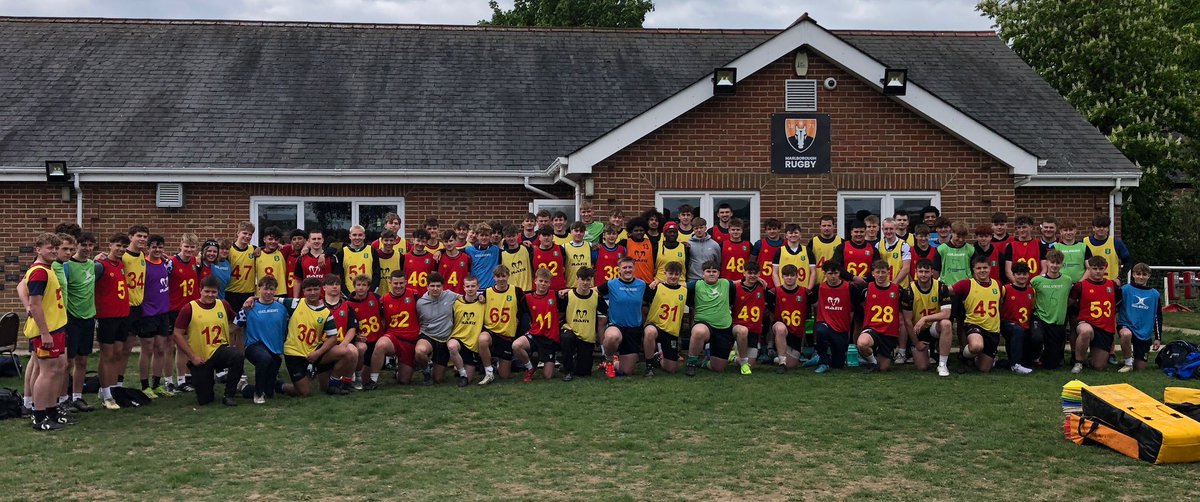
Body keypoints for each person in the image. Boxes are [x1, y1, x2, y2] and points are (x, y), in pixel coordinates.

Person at [171, 275, 243, 406]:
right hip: (201, 357)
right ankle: (206, 382)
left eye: (214, 292)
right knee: (205, 400)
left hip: (219, 351)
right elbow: (177, 334)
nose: (210, 295)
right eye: (207, 291)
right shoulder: (189, 308)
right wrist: (192, 357)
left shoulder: (223, 305)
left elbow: (236, 323)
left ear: (218, 292)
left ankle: (229, 394)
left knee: (237, 356)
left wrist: (249, 305)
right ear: (200, 290)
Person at [25, 233, 70, 430]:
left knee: (58, 368)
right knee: (46, 372)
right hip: (47, 330)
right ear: (38, 249)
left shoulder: (47, 269)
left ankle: (52, 411)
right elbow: (35, 305)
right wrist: (44, 333)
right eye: (49, 248)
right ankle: (39, 415)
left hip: (57, 327)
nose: (53, 251)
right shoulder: (39, 272)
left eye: (55, 248)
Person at [281, 277, 352, 396]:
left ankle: (333, 384)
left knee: (347, 352)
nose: (313, 293)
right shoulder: (295, 303)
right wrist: (252, 298)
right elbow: (270, 298)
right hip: (294, 353)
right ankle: (280, 386)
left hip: (314, 351)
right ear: (303, 291)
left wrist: (318, 353)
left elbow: (333, 337)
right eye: (309, 290)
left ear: (321, 290)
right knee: (304, 393)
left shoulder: (325, 312)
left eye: (315, 289)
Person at [234, 276, 288, 404]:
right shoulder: (249, 307)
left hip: (274, 349)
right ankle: (258, 395)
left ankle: (244, 388)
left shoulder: (282, 308)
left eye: (271, 289)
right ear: (259, 289)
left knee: (269, 391)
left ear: (275, 290)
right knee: (264, 359)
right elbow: (235, 326)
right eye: (265, 289)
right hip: (254, 346)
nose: (268, 292)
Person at [684, 260, 742, 376]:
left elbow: (742, 282)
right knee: (699, 331)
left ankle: (705, 363)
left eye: (714, 271)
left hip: (723, 327)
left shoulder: (726, 283)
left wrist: (757, 280)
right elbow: (676, 284)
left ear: (719, 273)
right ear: (702, 274)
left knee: (719, 367)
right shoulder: (696, 285)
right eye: (708, 271)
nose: (711, 274)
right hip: (704, 323)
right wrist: (658, 282)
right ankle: (691, 363)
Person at [62, 232, 99, 412]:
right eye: (84, 245)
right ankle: (63, 397)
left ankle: (78, 396)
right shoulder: (67, 266)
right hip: (72, 318)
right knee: (67, 362)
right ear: (77, 246)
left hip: (88, 317)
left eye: (91, 245)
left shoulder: (93, 265)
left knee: (82, 360)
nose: (87, 248)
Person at [94, 234, 131, 410]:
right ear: (110, 245)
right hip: (106, 317)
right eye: (118, 246)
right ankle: (106, 393)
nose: (121, 249)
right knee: (107, 355)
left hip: (122, 315)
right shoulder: (100, 266)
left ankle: (111, 388)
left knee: (118, 353)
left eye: (124, 246)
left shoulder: (122, 264)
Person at [597, 256, 650, 378]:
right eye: (624, 267)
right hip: (616, 326)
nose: (627, 270)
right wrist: (604, 309)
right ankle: (609, 361)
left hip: (634, 329)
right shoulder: (611, 284)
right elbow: (593, 293)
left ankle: (613, 364)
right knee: (611, 336)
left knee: (627, 371)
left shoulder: (642, 285)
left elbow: (657, 295)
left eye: (630, 267)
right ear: (619, 270)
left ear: (634, 268)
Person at [1070, 256, 1123, 373]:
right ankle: (1078, 362)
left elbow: (1119, 302)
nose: (1098, 271)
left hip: (1105, 328)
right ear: (1089, 269)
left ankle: (1091, 358)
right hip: (1087, 322)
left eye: (1100, 268)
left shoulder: (1112, 285)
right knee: (1085, 331)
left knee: (1099, 366)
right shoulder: (1080, 286)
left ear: (1105, 268)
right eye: (1094, 268)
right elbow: (1071, 304)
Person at [808, 261, 863, 373]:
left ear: (840, 273)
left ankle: (821, 358)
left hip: (841, 328)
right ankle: (823, 362)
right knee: (821, 331)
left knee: (838, 364)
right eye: (830, 273)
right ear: (824, 273)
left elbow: (858, 306)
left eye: (836, 273)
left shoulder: (850, 288)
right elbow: (810, 301)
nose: (833, 276)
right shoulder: (819, 288)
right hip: (825, 323)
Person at [900, 259, 953, 376]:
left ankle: (942, 365)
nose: (923, 274)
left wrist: (925, 318)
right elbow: (908, 321)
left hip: (934, 327)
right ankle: (925, 351)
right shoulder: (909, 290)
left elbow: (946, 314)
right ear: (916, 272)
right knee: (922, 367)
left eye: (926, 271)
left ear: (932, 273)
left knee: (946, 323)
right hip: (918, 330)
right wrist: (916, 342)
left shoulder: (941, 287)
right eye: (921, 271)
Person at [952, 255, 1003, 373]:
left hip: (992, 329)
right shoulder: (966, 284)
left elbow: (1000, 304)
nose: (982, 271)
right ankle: (963, 357)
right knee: (976, 346)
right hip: (974, 324)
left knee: (984, 369)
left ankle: (975, 358)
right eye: (979, 268)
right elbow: (947, 290)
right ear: (973, 269)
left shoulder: (998, 285)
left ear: (990, 268)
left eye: (985, 267)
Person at [137, 235, 175, 398]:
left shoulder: (166, 264)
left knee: (161, 348)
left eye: (160, 247)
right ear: (148, 248)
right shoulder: (143, 264)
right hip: (147, 313)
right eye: (154, 247)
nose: (157, 250)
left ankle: (156, 384)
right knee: (147, 348)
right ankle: (145, 385)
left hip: (163, 312)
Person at [373, 271, 422, 385]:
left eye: (401, 283)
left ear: (406, 282)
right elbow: (381, 320)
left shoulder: (414, 295)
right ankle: (373, 380)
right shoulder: (384, 300)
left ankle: (400, 368)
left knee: (404, 380)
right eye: (395, 283)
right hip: (393, 337)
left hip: (410, 340)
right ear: (390, 282)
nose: (398, 286)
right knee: (381, 345)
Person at [167, 233, 202, 393]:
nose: (189, 250)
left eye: (192, 247)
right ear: (180, 245)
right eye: (186, 246)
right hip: (174, 309)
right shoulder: (171, 263)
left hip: (191, 308)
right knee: (173, 345)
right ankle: (172, 380)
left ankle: (185, 378)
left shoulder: (196, 261)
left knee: (188, 344)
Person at [513, 268, 561, 382]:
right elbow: (521, 314)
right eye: (541, 281)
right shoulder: (528, 298)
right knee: (516, 345)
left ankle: (552, 360)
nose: (543, 284)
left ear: (550, 283)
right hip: (535, 335)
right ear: (535, 281)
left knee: (548, 376)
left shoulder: (555, 295)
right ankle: (530, 368)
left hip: (549, 338)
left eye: (546, 282)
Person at [855, 261, 903, 372]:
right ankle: (873, 362)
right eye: (878, 272)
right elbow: (862, 306)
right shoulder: (866, 289)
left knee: (884, 368)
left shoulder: (898, 289)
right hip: (872, 329)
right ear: (873, 273)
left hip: (889, 333)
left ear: (888, 273)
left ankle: (880, 356)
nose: (880, 275)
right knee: (862, 343)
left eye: (883, 272)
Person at [1030, 249, 1074, 370]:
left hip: (1056, 321)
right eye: (1052, 262)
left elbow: (1071, 298)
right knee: (1036, 338)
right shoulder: (1036, 281)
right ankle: (1033, 357)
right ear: (1047, 263)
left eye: (1058, 263)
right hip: (1040, 317)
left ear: (1062, 264)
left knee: (1051, 365)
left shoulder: (1067, 280)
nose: (1055, 266)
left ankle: (1045, 357)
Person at [448, 275, 495, 386]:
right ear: (463, 287)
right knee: (452, 346)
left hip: (473, 344)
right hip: (458, 339)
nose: (470, 289)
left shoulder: (483, 302)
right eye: (467, 286)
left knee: (470, 379)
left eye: (473, 286)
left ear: (478, 286)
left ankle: (464, 368)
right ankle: (462, 373)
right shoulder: (457, 303)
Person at [415, 273, 461, 385]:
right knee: (420, 351)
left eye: (438, 286)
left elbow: (467, 299)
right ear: (427, 287)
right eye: (432, 286)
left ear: (443, 287)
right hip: (428, 335)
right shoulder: (420, 303)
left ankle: (433, 365)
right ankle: (426, 371)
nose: (435, 289)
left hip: (445, 339)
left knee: (438, 379)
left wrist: (481, 296)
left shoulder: (450, 296)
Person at [643, 261, 687, 377]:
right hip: (655, 325)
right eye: (670, 273)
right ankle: (649, 366)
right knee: (650, 332)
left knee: (671, 369)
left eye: (676, 274)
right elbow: (642, 301)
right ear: (665, 273)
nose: (673, 277)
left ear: (680, 275)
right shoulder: (656, 287)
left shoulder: (684, 291)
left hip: (671, 330)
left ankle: (658, 357)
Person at [1117, 263, 1162, 372]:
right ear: (1133, 274)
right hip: (1127, 325)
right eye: (1138, 274)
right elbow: (1114, 307)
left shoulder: (1155, 294)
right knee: (1126, 334)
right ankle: (1128, 363)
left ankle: (1132, 359)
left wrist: (1158, 337)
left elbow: (1158, 316)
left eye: (1144, 274)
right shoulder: (1125, 289)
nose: (1141, 277)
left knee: (1140, 368)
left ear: (1149, 276)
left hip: (1144, 332)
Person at [119, 225, 149, 388]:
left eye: (145, 236)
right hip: (125, 307)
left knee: (128, 348)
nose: (142, 239)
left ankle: (119, 382)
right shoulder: (123, 256)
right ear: (130, 237)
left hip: (138, 307)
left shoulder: (142, 255)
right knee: (120, 350)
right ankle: (112, 384)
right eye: (139, 236)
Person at [482, 265, 525, 379]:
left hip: (506, 335)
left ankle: (497, 364)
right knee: (482, 339)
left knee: (504, 376)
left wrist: (518, 319)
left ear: (508, 276)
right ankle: (488, 371)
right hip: (491, 330)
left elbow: (523, 308)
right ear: (494, 278)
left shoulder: (516, 291)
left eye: (503, 276)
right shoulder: (487, 292)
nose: (501, 279)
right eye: (498, 276)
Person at [560, 267, 602, 380]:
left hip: (587, 336)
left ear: (591, 280)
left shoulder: (596, 297)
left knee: (583, 373)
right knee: (567, 338)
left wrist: (599, 336)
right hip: (571, 330)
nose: (585, 282)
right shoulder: (568, 296)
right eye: (582, 279)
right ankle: (567, 370)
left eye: (588, 280)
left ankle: (575, 362)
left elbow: (603, 317)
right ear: (577, 279)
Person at [767, 264, 809, 374]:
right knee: (780, 328)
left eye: (792, 275)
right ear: (782, 277)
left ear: (797, 276)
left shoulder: (806, 292)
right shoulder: (773, 292)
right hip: (781, 328)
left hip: (796, 332)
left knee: (792, 365)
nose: (789, 278)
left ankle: (777, 358)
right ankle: (781, 362)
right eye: (786, 275)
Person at [346, 274, 384, 389]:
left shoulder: (376, 298)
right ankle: (356, 375)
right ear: (354, 286)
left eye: (364, 285)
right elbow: (347, 326)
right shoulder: (348, 304)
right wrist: (356, 337)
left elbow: (384, 317)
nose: (361, 288)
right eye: (358, 285)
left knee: (367, 379)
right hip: (362, 340)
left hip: (377, 339)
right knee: (361, 348)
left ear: (368, 287)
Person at [999, 262, 1036, 375]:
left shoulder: (1031, 291)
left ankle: (1000, 363)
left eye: (1024, 274)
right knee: (1017, 330)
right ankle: (1015, 365)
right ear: (1013, 275)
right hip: (1008, 324)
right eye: (1018, 274)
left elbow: (1032, 308)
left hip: (1024, 325)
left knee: (1028, 361)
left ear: (1028, 275)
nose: (1022, 277)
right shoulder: (1006, 289)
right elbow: (999, 306)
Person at [732, 261, 767, 368]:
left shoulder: (763, 288)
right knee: (743, 331)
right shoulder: (735, 287)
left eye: (755, 273)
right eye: (749, 273)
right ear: (744, 273)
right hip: (738, 327)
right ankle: (735, 348)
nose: (752, 276)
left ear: (759, 274)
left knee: (751, 365)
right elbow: (722, 283)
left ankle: (734, 358)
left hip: (754, 329)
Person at [1083, 214, 1131, 284]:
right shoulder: (1084, 243)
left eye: (1105, 226)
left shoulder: (1116, 243)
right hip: (1089, 285)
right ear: (1093, 228)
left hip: (1111, 285)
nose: (1101, 229)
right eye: (1098, 226)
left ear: (1108, 228)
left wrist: (1120, 278)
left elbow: (1128, 262)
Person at [332, 225, 379, 295]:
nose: (357, 238)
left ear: (364, 236)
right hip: (349, 294)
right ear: (350, 236)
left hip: (368, 294)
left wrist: (370, 291)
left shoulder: (371, 251)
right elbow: (340, 276)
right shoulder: (342, 253)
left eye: (360, 235)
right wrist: (347, 294)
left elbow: (377, 274)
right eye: (354, 235)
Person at [1003, 215, 1047, 282]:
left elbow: (1044, 269)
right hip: (1017, 285)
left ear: (1031, 227)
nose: (1021, 230)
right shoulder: (1010, 246)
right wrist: (1018, 284)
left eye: (1024, 227)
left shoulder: (1039, 245)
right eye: (1019, 227)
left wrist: (1036, 283)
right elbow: (1008, 271)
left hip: (1035, 284)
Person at [226, 221, 258, 310]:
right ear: (238, 233)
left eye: (250, 234)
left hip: (248, 293)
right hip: (231, 292)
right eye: (244, 233)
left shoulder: (254, 249)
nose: (247, 236)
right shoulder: (229, 250)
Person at [773, 223, 815, 290]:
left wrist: (808, 289)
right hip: (784, 290)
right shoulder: (780, 251)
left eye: (796, 233)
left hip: (803, 289)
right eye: (790, 233)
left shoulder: (807, 251)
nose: (793, 235)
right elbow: (775, 273)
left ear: (800, 235)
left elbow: (813, 272)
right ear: (786, 235)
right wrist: (779, 289)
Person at [291, 230, 332, 296]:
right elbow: (298, 281)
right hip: (307, 299)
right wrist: (295, 299)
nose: (316, 241)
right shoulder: (301, 259)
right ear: (309, 241)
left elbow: (336, 280)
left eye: (319, 239)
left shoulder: (331, 258)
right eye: (313, 239)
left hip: (326, 299)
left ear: (323, 240)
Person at [877, 217, 912, 290]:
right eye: (886, 229)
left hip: (900, 286)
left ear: (896, 229)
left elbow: (906, 268)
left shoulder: (904, 245)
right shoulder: (878, 245)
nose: (888, 231)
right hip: (882, 286)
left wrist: (893, 284)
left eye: (891, 229)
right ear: (882, 229)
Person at [684, 218, 720, 286]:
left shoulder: (714, 245)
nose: (699, 230)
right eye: (696, 228)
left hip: (709, 280)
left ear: (705, 228)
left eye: (701, 227)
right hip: (692, 279)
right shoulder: (688, 244)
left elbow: (718, 262)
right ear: (693, 229)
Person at [464, 223, 501, 289]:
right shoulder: (469, 250)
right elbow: (453, 251)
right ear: (477, 236)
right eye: (482, 235)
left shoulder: (496, 250)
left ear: (490, 236)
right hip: (475, 289)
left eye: (486, 235)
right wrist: (440, 251)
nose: (484, 238)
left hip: (492, 289)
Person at [937, 221, 973, 287]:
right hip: (947, 287)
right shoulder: (941, 249)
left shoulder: (971, 250)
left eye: (963, 237)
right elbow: (935, 270)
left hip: (966, 287)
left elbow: (974, 269)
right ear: (952, 233)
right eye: (958, 236)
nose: (961, 239)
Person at [809, 215, 843, 284]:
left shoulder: (841, 242)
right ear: (820, 227)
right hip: (817, 282)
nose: (826, 228)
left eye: (829, 225)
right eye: (824, 226)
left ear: (834, 226)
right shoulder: (813, 242)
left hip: (836, 282)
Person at [531, 226, 567, 291]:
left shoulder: (560, 249)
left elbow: (565, 267)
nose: (546, 238)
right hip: (541, 290)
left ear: (552, 237)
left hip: (559, 289)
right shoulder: (533, 252)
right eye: (544, 235)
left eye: (549, 235)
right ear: (539, 237)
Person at [403, 229, 439, 295]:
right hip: (408, 295)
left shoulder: (432, 258)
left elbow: (434, 279)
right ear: (413, 240)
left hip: (426, 295)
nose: (420, 244)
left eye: (423, 241)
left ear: (427, 242)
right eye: (418, 240)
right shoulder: (404, 257)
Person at [438, 230, 473, 294]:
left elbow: (468, 276)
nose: (448, 244)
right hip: (444, 296)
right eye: (446, 241)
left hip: (461, 295)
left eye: (451, 241)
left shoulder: (466, 257)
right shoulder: (439, 258)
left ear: (456, 240)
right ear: (442, 243)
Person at [753, 219, 784, 290]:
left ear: (779, 230)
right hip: (763, 282)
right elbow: (752, 264)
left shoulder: (786, 244)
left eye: (774, 229)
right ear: (765, 231)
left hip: (782, 282)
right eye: (769, 229)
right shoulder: (759, 244)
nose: (772, 231)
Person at [501, 225, 534, 291]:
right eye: (509, 236)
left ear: (517, 235)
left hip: (527, 289)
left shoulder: (527, 248)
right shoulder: (501, 254)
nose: (512, 239)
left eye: (513, 236)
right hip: (512, 291)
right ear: (504, 237)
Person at [719, 218, 753, 283]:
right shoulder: (722, 245)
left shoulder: (748, 245)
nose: (735, 232)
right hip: (726, 281)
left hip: (743, 281)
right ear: (729, 230)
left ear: (742, 231)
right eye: (733, 230)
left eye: (738, 230)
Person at [624, 218, 656, 283]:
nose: (639, 232)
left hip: (648, 282)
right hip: (630, 282)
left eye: (641, 230)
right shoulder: (625, 243)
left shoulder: (652, 243)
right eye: (636, 230)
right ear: (631, 232)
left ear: (645, 231)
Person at [563, 221, 594, 286]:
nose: (578, 233)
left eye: (581, 231)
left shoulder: (590, 246)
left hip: (588, 286)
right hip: (571, 286)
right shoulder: (564, 247)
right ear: (571, 232)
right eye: (576, 231)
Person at [375, 229, 403, 296]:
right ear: (381, 241)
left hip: (394, 295)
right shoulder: (374, 255)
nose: (389, 243)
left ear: (395, 241)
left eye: (391, 240)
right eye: (386, 240)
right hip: (377, 294)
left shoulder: (400, 257)